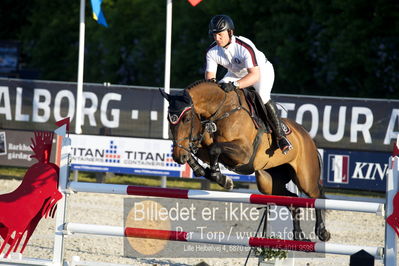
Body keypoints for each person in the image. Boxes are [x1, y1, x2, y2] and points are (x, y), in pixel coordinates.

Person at [204, 14, 292, 154]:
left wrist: (234, 85)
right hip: (236, 73)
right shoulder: (212, 51)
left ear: (230, 32)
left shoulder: (244, 46)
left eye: (220, 35)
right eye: (214, 35)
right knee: (215, 94)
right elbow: (210, 78)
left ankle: (281, 135)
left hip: (261, 71)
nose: (217, 38)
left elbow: (254, 76)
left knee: (262, 96)